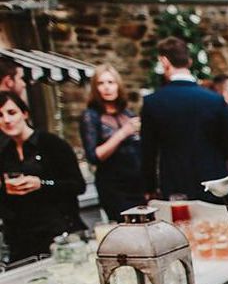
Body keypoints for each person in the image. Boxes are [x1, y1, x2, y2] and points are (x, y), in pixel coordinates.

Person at [141, 37, 228, 201]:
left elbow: (148, 152)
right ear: (190, 61)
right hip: (215, 184)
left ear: (164, 61)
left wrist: (149, 188)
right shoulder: (214, 100)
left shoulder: (153, 103)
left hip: (176, 186)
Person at [0, 91, 85, 262]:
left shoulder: (51, 144)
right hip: (21, 240)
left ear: (24, 113)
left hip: (58, 234)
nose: (6, 120)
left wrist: (42, 183)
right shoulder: (3, 152)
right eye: (0, 115)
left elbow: (77, 185)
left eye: (11, 112)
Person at [80, 65, 144, 221]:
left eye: (111, 82)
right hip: (114, 186)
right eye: (101, 83)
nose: (107, 87)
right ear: (95, 88)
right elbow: (94, 156)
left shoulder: (127, 114)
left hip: (137, 184)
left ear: (118, 85)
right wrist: (122, 133)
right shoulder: (91, 116)